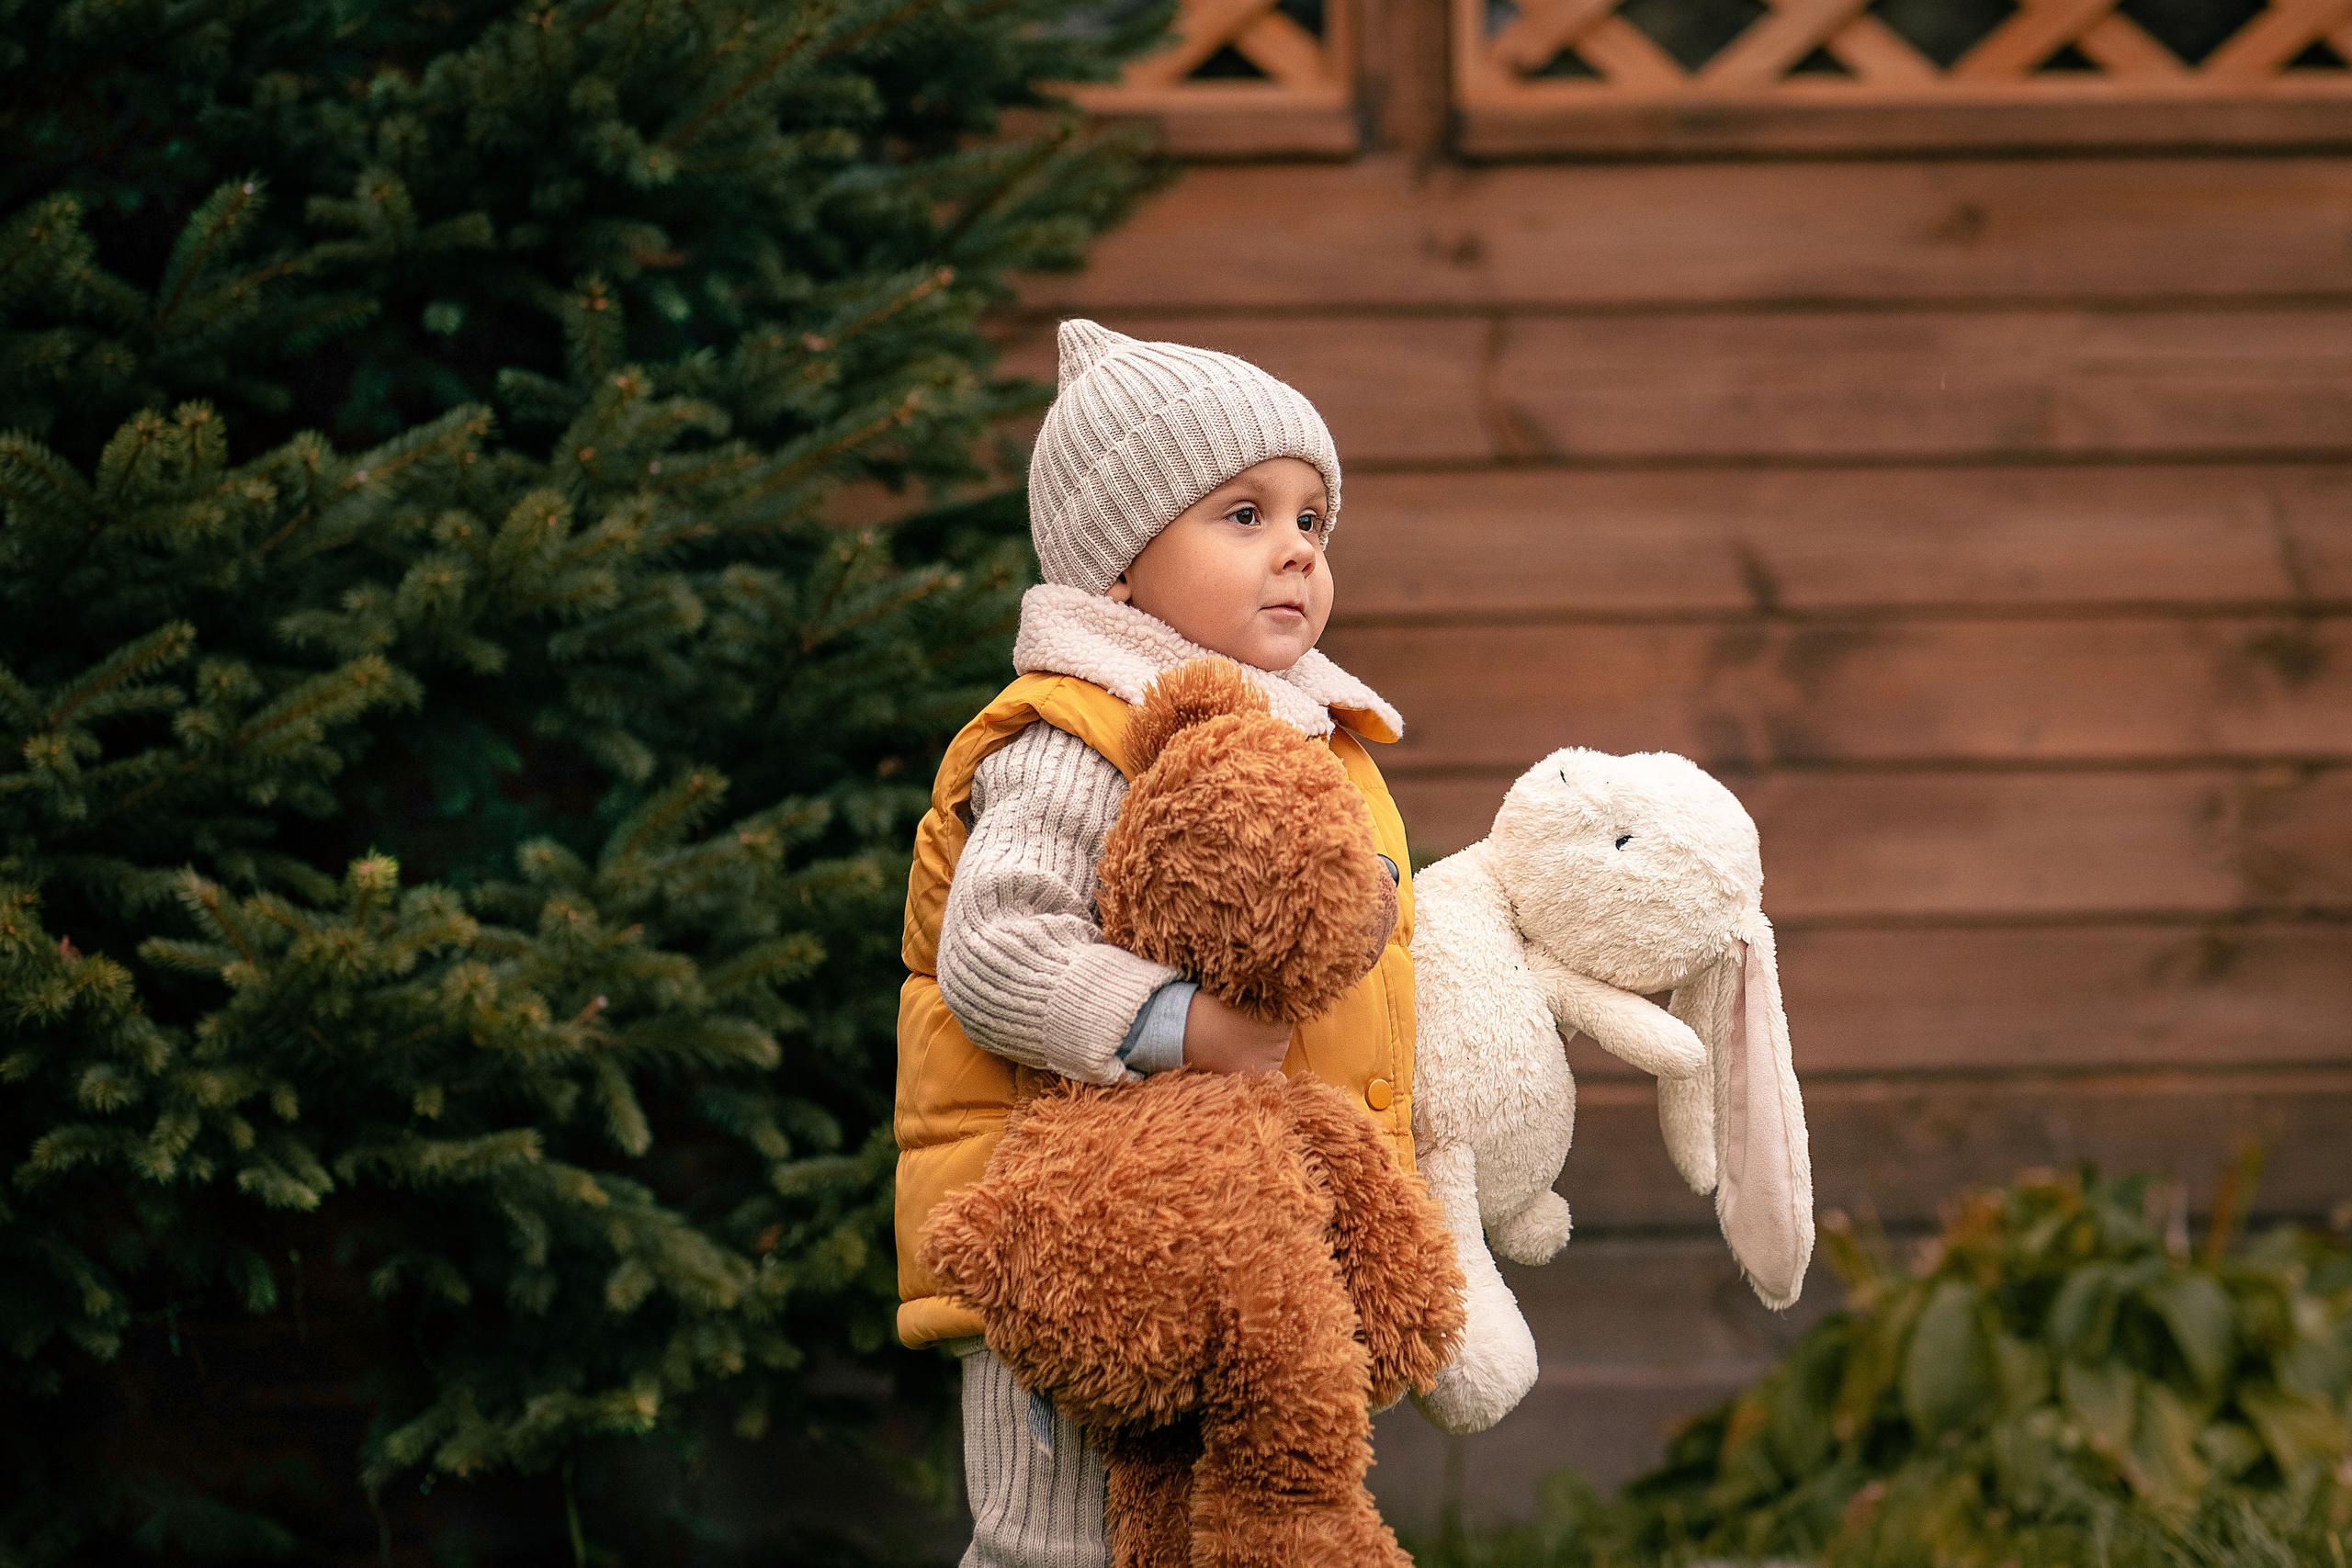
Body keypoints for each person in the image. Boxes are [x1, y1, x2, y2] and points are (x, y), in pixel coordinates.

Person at [893, 319, 1419, 1567]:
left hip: (1244, 1256)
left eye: (1311, 521)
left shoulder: (1305, 737)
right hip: (1082, 1260)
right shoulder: (1080, 736)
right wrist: (1181, 1027)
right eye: (1243, 516)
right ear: (1117, 570)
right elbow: (999, 949)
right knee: (1064, 1549)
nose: (1295, 548)